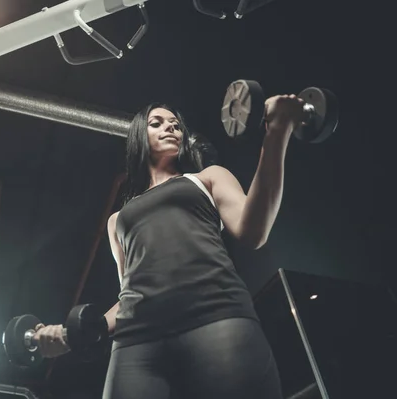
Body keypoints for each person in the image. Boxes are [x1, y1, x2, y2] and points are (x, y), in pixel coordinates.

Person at [34, 94, 306, 398]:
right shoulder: (117, 220)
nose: (170, 129)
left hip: (215, 320)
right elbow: (129, 297)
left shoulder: (208, 178)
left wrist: (277, 131)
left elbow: (254, 231)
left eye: (176, 125)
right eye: (157, 123)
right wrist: (72, 336)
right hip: (137, 344)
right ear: (140, 136)